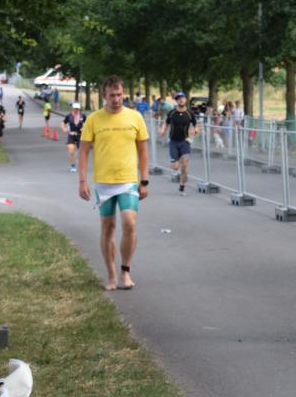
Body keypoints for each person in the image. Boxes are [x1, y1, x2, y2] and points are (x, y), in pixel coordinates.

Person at [78, 76, 149, 291]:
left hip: (128, 180)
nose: (116, 99)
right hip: (103, 182)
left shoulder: (135, 117)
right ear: (104, 96)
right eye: (112, 95)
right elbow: (84, 151)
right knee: (108, 227)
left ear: (123, 94)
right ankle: (111, 275)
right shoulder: (94, 119)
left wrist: (144, 180)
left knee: (129, 223)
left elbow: (143, 151)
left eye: (119, 95)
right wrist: (82, 180)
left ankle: (125, 271)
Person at [159, 92, 199, 196]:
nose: (181, 100)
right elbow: (166, 123)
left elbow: (196, 125)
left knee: (184, 164)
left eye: (182, 98)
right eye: (179, 98)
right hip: (173, 142)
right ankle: (175, 165)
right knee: (176, 167)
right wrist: (162, 130)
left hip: (185, 142)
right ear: (177, 101)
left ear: (186, 100)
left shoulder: (190, 113)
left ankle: (182, 186)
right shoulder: (172, 113)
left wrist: (195, 130)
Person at [62, 102, 87, 173]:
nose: (76, 110)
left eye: (78, 109)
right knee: (71, 151)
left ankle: (81, 165)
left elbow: (88, 123)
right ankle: (73, 166)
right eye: (75, 109)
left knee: (81, 152)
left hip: (80, 136)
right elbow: (63, 123)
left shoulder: (83, 116)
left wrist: (84, 128)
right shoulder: (69, 116)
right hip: (71, 135)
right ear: (72, 109)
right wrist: (64, 129)